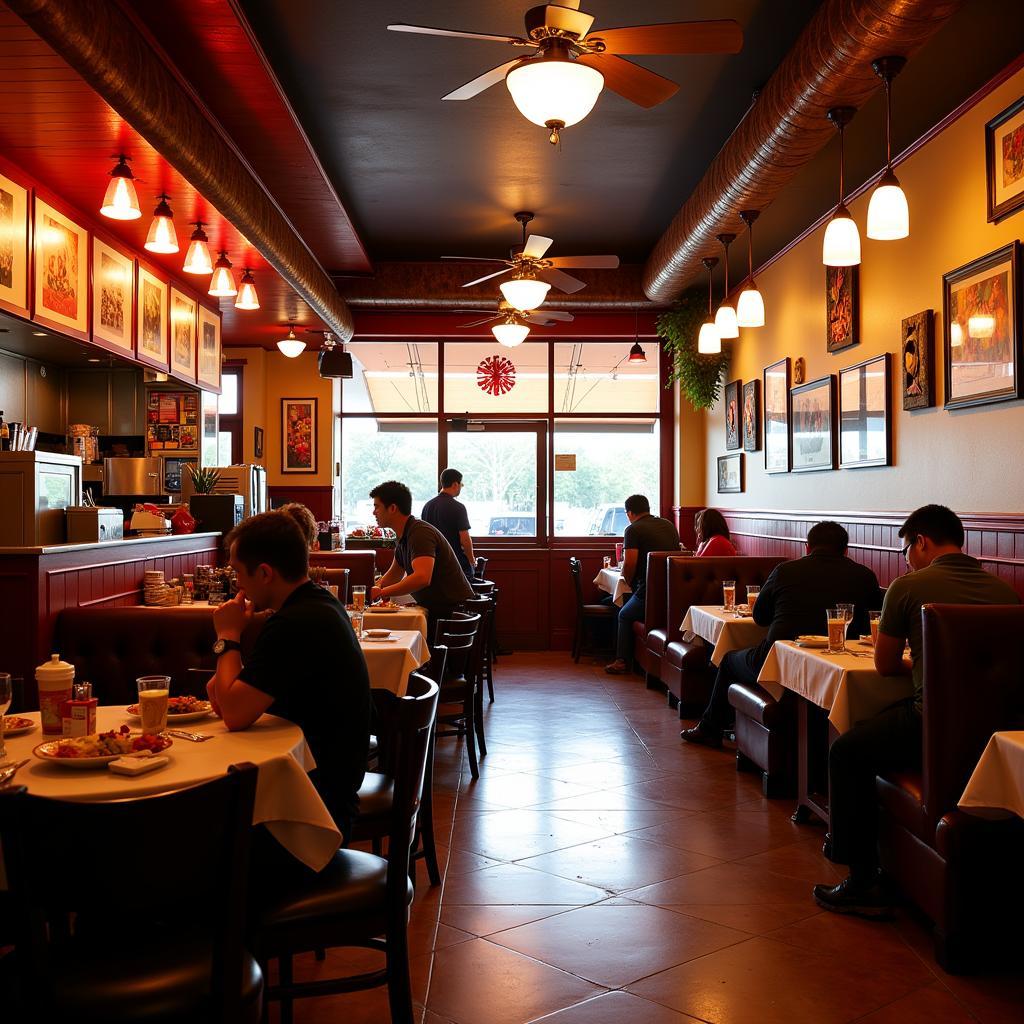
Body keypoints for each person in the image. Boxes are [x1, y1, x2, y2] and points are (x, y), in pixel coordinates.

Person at [814, 505, 1019, 917]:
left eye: (907, 548)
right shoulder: (1006, 592)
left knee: (847, 750)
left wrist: (921, 663)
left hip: (933, 723)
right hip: (1000, 731)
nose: (906, 556)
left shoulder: (908, 587)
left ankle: (862, 878)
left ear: (921, 542)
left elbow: (885, 665)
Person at [207, 509, 371, 847]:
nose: (237, 584)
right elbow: (221, 696)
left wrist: (228, 636)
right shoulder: (316, 603)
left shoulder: (296, 624)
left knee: (190, 842)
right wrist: (233, 643)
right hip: (320, 791)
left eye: (239, 572)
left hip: (311, 816)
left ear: (264, 573)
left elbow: (234, 715)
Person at [681, 520, 881, 747]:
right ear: (846, 550)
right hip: (836, 665)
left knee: (727, 660)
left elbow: (760, 617)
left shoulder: (785, 571)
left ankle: (711, 728)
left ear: (807, 547)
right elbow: (870, 624)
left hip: (778, 661)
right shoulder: (865, 576)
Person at [369, 479, 474, 641]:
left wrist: (382, 592)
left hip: (452, 615)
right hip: (440, 611)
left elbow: (422, 578)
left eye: (376, 506)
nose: (373, 512)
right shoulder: (405, 534)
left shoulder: (419, 533)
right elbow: (395, 573)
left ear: (392, 508)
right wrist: (375, 588)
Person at [604, 494, 680, 675]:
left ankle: (622, 660)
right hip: (673, 591)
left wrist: (628, 581)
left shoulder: (633, 530)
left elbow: (629, 563)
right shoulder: (668, 525)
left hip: (648, 592)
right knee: (614, 601)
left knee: (623, 613)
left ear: (629, 513)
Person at [421, 468, 476, 581]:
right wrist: (471, 560)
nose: (461, 487)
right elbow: (464, 538)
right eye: (461, 484)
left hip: (432, 563)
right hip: (454, 562)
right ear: (455, 484)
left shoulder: (427, 506)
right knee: (470, 577)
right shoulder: (458, 507)